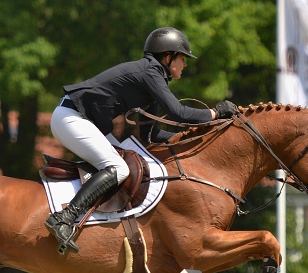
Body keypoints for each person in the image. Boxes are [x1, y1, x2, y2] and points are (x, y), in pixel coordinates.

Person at [46, 27, 239, 253]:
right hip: (71, 117)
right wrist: (214, 114)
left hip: (82, 120)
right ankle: (64, 218)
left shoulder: (152, 79)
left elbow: (150, 135)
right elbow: (178, 112)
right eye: (182, 59)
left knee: (127, 163)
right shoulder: (150, 72)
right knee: (118, 168)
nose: (185, 64)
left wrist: (191, 139)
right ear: (168, 57)